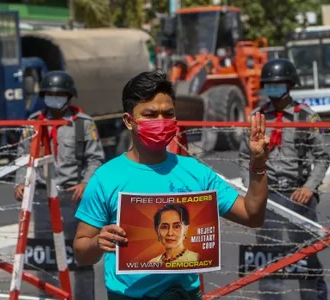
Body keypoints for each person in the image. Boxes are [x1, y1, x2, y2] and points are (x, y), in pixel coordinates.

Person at [73, 69, 269, 300]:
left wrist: (258, 164)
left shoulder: (196, 173)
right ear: (128, 121)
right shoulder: (106, 178)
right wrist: (98, 242)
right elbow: (81, 251)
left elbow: (252, 214)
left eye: (168, 114)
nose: (160, 122)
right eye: (150, 114)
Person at [239, 58, 329, 300]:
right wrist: (250, 188)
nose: (273, 88)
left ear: (290, 84)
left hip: (298, 195)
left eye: (278, 83)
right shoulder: (258, 116)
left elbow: (322, 156)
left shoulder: (305, 117)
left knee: (306, 255)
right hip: (267, 197)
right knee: (269, 257)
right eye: (269, 83)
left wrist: (309, 188)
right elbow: (242, 155)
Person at [13, 71, 105, 300]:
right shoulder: (34, 122)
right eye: (50, 94)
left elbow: (95, 158)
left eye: (60, 94)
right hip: (43, 196)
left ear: (69, 96)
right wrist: (20, 183)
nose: (55, 98)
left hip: (73, 197)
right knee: (46, 256)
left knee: (80, 256)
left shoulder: (83, 124)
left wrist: (86, 182)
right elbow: (23, 157)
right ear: (43, 95)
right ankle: (50, 297)